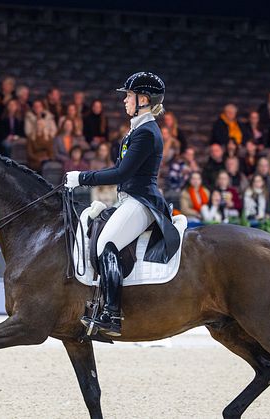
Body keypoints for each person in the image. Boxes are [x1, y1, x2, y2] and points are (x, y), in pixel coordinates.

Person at [64, 72, 177, 337]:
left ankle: (112, 313)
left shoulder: (147, 133)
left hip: (142, 201)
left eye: (128, 95)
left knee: (107, 244)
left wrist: (82, 177)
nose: (125, 100)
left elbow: (120, 174)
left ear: (144, 99)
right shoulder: (137, 130)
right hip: (129, 199)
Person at [24, 100, 57, 170]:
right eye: (38, 125)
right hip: (35, 159)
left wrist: (48, 158)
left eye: (41, 125)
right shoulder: (31, 137)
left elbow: (51, 151)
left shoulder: (48, 137)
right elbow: (29, 153)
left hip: (46, 159)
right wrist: (38, 159)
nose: (39, 126)